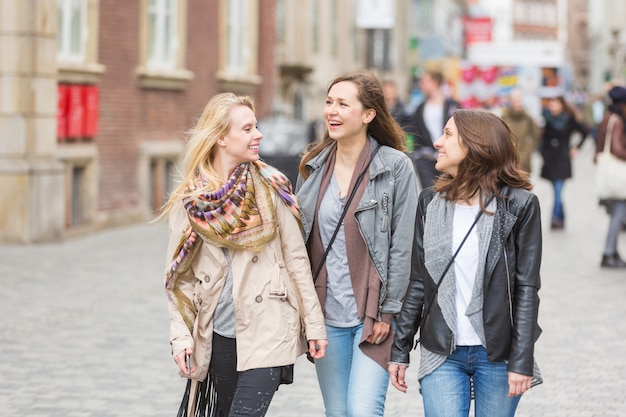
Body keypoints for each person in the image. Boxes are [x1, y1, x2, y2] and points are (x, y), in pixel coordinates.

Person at [159, 93, 328, 417]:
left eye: (256, 127)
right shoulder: (192, 201)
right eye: (248, 129)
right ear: (221, 137)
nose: (258, 135)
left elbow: (296, 259)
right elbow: (177, 279)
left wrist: (314, 327)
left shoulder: (272, 186)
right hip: (218, 332)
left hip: (269, 325)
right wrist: (181, 338)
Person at [389, 109, 543, 417]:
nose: (436, 142)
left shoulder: (519, 204)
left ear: (475, 144)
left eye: (447, 134)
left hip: (497, 354)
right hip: (441, 352)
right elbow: (417, 280)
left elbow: (526, 288)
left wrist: (522, 360)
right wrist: (400, 349)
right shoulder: (430, 203)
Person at [296, 70, 419, 417]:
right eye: (329, 102)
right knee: (338, 413)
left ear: (368, 115)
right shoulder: (312, 169)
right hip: (327, 316)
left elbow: (402, 247)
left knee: (363, 411)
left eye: (343, 104)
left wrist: (387, 311)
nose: (331, 111)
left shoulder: (396, 168)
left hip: (373, 317)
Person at [539, 95, 591, 229]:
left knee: (558, 191)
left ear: (561, 105)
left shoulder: (568, 120)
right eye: (551, 104)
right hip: (550, 159)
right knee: (556, 192)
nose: (552, 107)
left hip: (562, 159)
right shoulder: (545, 119)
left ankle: (554, 219)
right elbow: (541, 138)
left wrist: (576, 148)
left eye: (555, 104)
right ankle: (561, 217)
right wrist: (543, 152)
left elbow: (585, 132)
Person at [407, 70, 460, 190]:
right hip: (426, 158)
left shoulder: (453, 106)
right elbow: (416, 131)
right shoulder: (420, 108)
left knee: (449, 190)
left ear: (435, 83)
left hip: (448, 155)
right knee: (430, 191)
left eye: (425, 82)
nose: (421, 85)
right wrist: (417, 153)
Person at [595, 85, 626, 269]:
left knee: (616, 213)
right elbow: (616, 148)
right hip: (618, 176)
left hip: (609, 174)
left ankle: (613, 252)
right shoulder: (618, 120)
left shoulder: (607, 117)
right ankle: (608, 253)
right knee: (618, 214)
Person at [501, 90, 540, 174]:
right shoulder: (504, 117)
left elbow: (535, 136)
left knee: (523, 183)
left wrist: (527, 151)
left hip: (524, 157)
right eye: (515, 101)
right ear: (510, 102)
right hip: (508, 157)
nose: (518, 104)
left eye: (519, 101)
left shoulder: (528, 118)